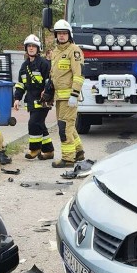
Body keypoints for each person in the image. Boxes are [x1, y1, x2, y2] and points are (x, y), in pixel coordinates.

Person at [49, 19, 85, 168]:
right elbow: (54, 75)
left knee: (65, 128)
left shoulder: (74, 51)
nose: (62, 36)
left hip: (69, 97)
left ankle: (68, 159)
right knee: (69, 126)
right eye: (59, 33)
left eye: (64, 33)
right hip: (59, 97)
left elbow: (78, 75)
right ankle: (78, 152)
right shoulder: (56, 52)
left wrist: (74, 94)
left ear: (69, 34)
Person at [13, 34, 55, 160]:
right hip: (31, 101)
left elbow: (50, 80)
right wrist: (17, 98)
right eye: (29, 46)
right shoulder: (24, 66)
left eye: (33, 46)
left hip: (43, 100)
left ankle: (35, 148)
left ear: (38, 49)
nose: (31, 48)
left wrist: (47, 93)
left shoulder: (44, 64)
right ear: (26, 49)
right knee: (40, 124)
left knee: (33, 123)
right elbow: (21, 84)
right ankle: (49, 151)